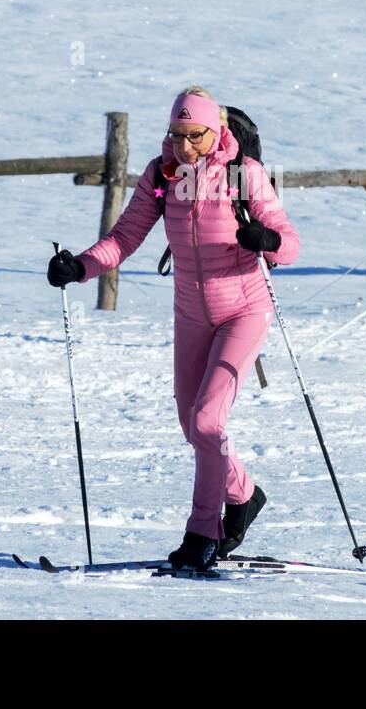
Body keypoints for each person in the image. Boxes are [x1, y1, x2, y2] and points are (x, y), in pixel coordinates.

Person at [47, 87, 300, 572]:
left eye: (194, 136)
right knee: (193, 428)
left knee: (208, 422)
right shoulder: (161, 176)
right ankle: (243, 494)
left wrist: (265, 239)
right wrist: (79, 267)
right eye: (175, 134)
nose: (183, 146)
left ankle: (203, 532)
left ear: (215, 131)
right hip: (191, 314)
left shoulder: (242, 175)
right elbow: (125, 237)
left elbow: (290, 244)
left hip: (244, 310)